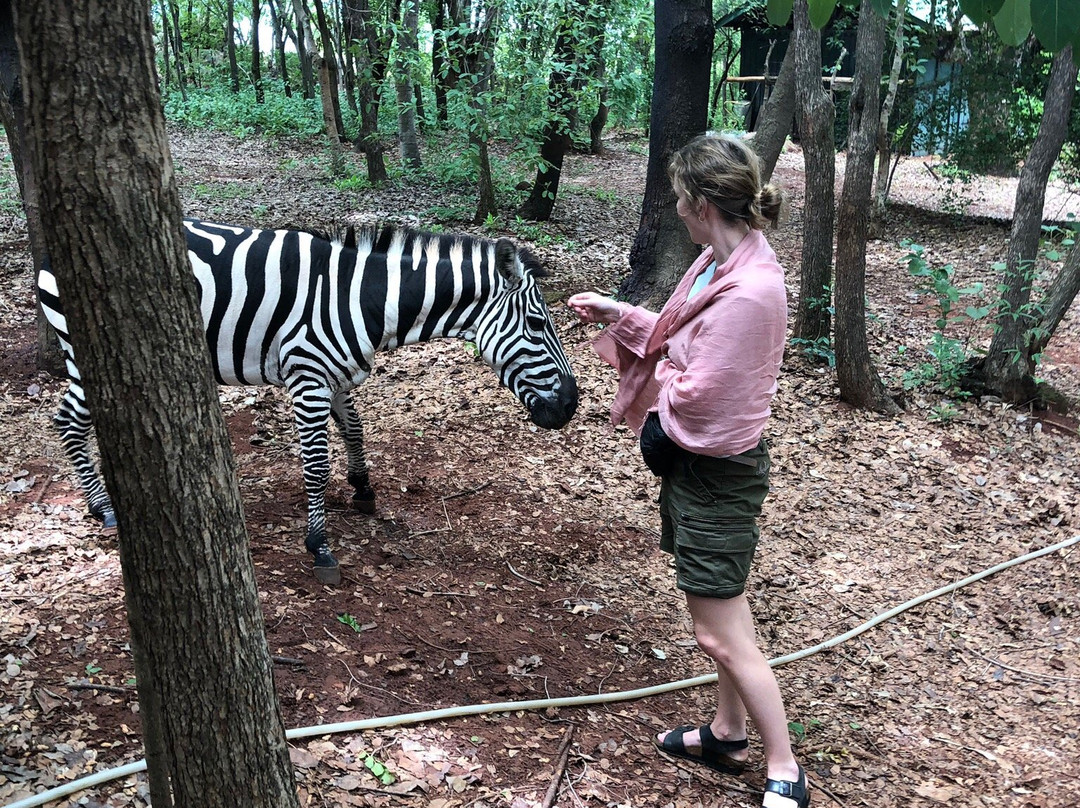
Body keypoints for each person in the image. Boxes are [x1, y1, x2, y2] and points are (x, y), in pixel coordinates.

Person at [567, 133, 808, 808]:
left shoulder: (753, 292)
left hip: (717, 474)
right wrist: (621, 314)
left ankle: (785, 769)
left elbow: (704, 393)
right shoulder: (713, 264)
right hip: (698, 468)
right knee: (727, 613)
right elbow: (682, 337)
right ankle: (729, 734)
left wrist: (662, 381)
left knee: (715, 630)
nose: (674, 207)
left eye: (679, 196)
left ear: (702, 203)